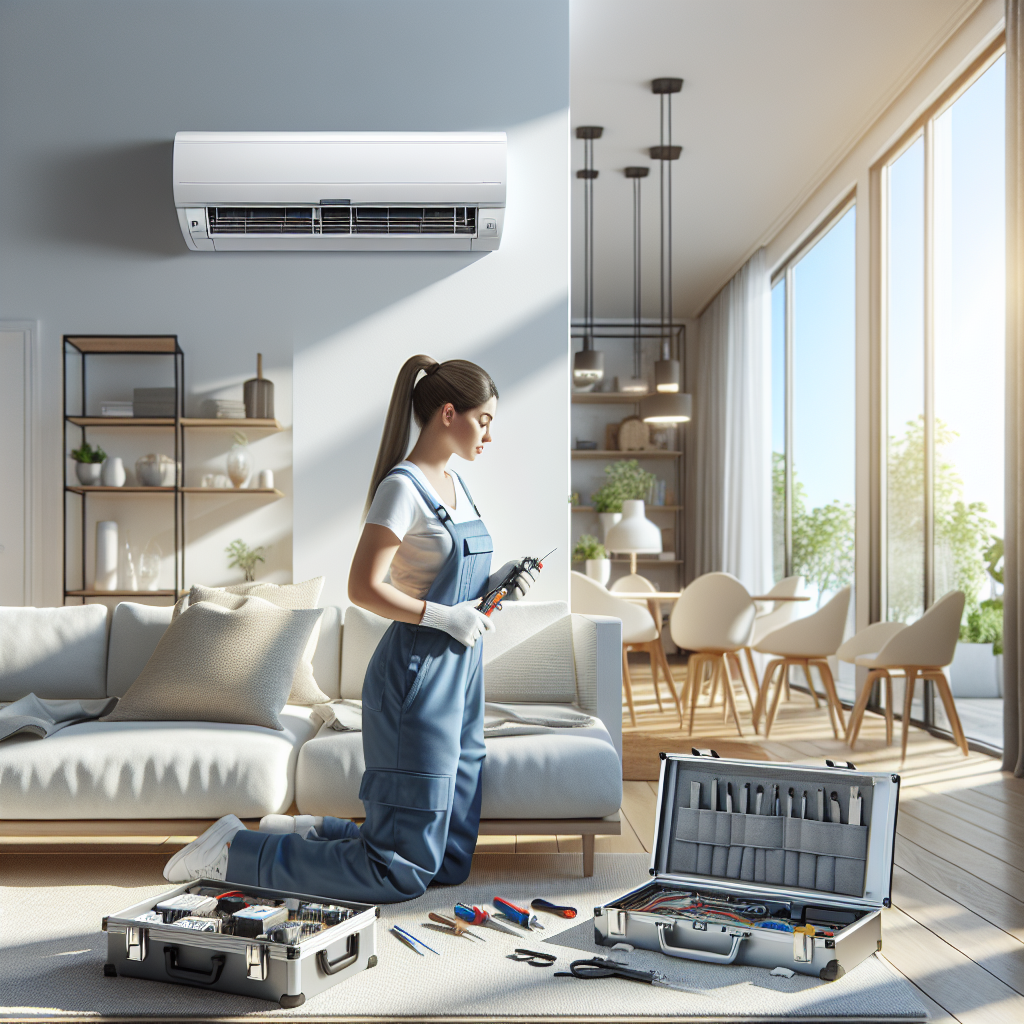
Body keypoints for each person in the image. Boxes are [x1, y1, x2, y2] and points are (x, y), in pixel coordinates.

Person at [162, 355, 535, 902]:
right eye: (484, 420)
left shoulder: (457, 483)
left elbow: (452, 581)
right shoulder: (402, 489)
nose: (490, 434)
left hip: (463, 671)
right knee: (397, 873)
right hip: (416, 678)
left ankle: (308, 832)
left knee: (449, 860)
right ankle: (235, 851)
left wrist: (494, 588)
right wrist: (443, 616)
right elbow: (362, 588)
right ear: (449, 414)